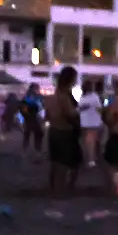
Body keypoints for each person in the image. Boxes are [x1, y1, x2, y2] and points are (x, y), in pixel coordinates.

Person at [46, 66, 83, 197]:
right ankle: (59, 190)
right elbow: (68, 114)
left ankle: (55, 188)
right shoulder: (64, 96)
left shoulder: (56, 94)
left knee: (56, 162)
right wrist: (77, 116)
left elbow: (49, 114)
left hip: (54, 130)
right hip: (65, 131)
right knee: (63, 163)